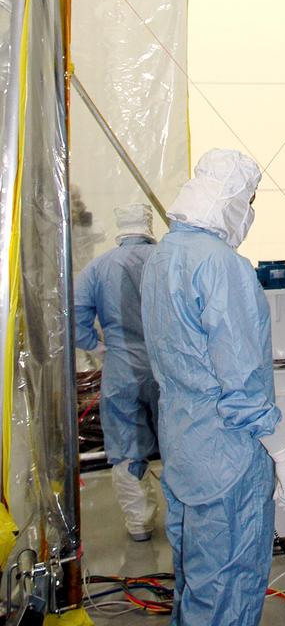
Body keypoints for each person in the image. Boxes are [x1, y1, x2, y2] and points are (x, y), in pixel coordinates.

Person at [141, 148, 285, 626]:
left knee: (196, 581)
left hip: (185, 448)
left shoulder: (161, 257)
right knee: (229, 589)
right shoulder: (222, 266)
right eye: (250, 199)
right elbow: (245, 386)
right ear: (233, 198)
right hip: (228, 458)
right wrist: (282, 453)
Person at [74, 201, 160, 541]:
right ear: (148, 223)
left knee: (126, 447)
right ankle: (186, 522)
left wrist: (95, 344)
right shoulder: (166, 261)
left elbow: (76, 312)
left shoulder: (98, 268)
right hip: (167, 369)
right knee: (179, 442)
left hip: (121, 369)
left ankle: (139, 523)